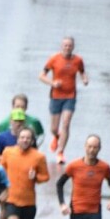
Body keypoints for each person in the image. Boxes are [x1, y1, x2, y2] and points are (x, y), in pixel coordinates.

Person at [0, 127, 49, 219]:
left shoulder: (38, 156)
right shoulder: (8, 152)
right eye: (22, 137)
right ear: (18, 138)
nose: (25, 140)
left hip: (28, 201)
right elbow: (1, 171)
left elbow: (45, 176)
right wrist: (1, 190)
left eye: (28, 138)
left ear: (32, 140)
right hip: (11, 199)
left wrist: (36, 177)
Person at [39, 36, 88, 164]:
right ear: (62, 46)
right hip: (56, 96)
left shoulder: (78, 60)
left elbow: (82, 71)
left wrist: (84, 79)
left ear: (73, 47)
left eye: (69, 45)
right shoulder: (54, 59)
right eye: (65, 45)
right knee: (54, 129)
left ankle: (60, 152)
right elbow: (41, 76)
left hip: (70, 96)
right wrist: (52, 83)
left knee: (66, 123)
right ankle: (57, 136)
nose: (67, 48)